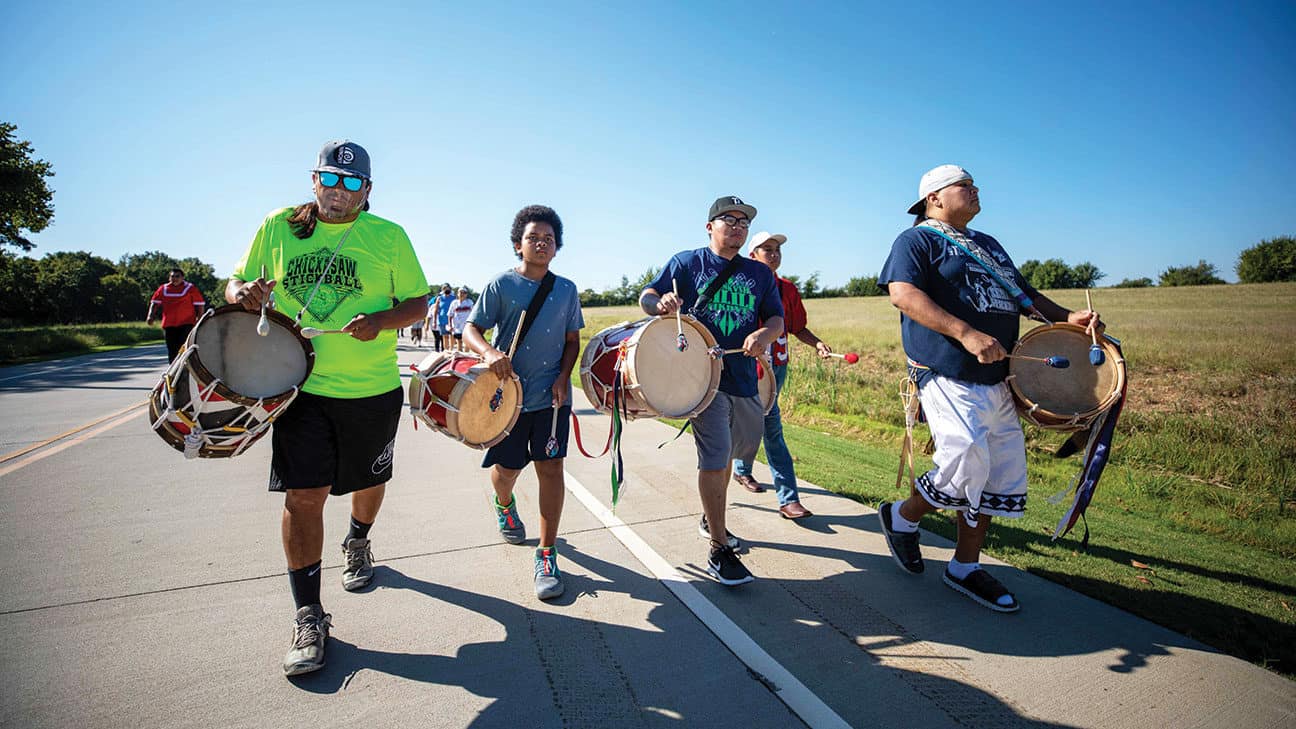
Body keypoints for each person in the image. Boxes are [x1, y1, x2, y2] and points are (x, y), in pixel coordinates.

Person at [226, 140, 429, 675]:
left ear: (367, 190)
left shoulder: (389, 236)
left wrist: (381, 322)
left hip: (370, 388)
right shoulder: (279, 226)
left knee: (369, 483)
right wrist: (244, 291)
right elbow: (233, 283)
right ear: (314, 180)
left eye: (352, 183)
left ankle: (358, 541)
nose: (340, 192)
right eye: (331, 180)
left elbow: (417, 302)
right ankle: (309, 613)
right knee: (303, 495)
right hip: (300, 386)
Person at [876, 164, 1101, 612]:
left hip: (1000, 374)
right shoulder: (916, 240)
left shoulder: (989, 245)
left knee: (997, 468)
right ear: (934, 198)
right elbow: (903, 294)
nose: (975, 191)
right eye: (965, 186)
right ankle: (903, 517)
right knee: (964, 454)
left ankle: (964, 566)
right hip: (945, 367)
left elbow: (1024, 296)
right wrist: (966, 333)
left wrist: (1064, 318)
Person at [640, 196, 783, 586]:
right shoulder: (687, 263)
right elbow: (647, 296)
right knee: (716, 456)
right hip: (702, 378)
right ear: (709, 227)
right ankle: (719, 549)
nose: (737, 226)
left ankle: (710, 516)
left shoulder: (759, 274)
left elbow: (776, 318)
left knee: (737, 451)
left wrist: (764, 333)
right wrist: (661, 304)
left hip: (744, 377)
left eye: (743, 222)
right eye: (728, 219)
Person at [464, 205, 583, 600]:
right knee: (507, 470)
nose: (542, 244)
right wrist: (489, 353)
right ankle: (504, 503)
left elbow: (571, 341)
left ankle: (546, 554)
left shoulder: (566, 289)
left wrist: (565, 379)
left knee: (551, 469)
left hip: (551, 400)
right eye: (534, 238)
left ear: (557, 246)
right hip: (508, 401)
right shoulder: (501, 285)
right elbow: (471, 329)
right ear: (519, 244)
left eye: (549, 239)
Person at [731, 231, 831, 519]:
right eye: (766, 249)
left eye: (776, 249)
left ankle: (741, 470)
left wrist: (818, 343)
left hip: (778, 368)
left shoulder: (787, 289)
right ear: (752, 255)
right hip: (749, 369)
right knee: (770, 429)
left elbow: (797, 327)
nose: (773, 254)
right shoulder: (741, 288)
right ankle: (788, 499)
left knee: (761, 421)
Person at [147, 268, 206, 362]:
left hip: (186, 323)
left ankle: (184, 370)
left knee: (183, 348)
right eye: (172, 276)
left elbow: (200, 305)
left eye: (177, 276)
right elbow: (154, 303)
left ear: (182, 278)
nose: (174, 278)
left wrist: (199, 320)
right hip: (169, 324)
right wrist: (150, 316)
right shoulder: (163, 289)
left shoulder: (190, 288)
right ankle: (173, 371)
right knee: (172, 349)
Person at [450, 287, 474, 351]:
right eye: (460, 292)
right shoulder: (454, 303)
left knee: (467, 343)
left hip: (466, 325)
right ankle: (460, 356)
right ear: (458, 294)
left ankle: (466, 356)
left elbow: (473, 313)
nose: (462, 294)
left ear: (466, 294)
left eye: (464, 293)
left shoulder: (469, 302)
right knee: (459, 342)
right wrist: (450, 325)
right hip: (457, 326)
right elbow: (450, 314)